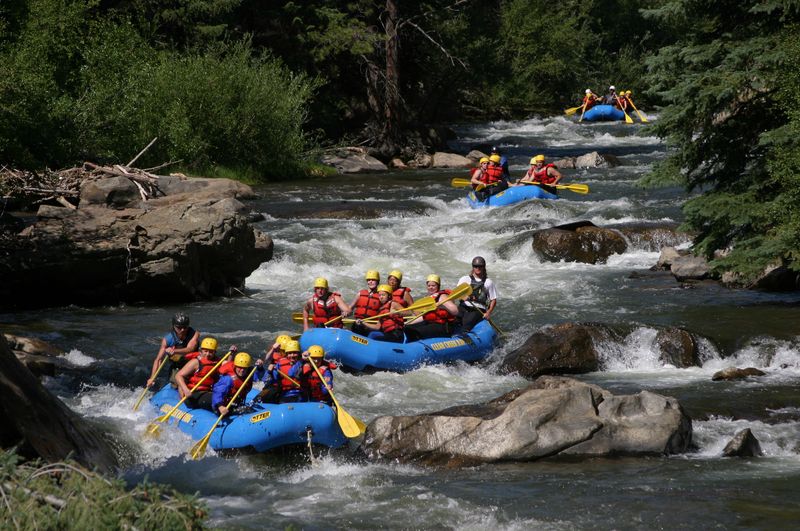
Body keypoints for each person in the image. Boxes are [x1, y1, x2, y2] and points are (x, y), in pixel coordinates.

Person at [147, 312, 200, 388]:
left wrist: (174, 351)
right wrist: (152, 378)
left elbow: (190, 349)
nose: (182, 330)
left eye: (185, 327)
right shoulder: (167, 340)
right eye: (179, 327)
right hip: (178, 366)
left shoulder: (194, 334)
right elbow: (158, 360)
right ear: (174, 326)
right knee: (177, 384)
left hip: (193, 364)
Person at [174, 336, 224, 410]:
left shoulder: (217, 362)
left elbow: (228, 366)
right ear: (201, 351)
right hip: (194, 394)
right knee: (215, 398)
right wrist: (185, 390)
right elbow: (178, 375)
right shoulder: (195, 362)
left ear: (214, 352)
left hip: (207, 391)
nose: (207, 354)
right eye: (205, 351)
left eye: (211, 352)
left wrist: (232, 355)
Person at [405, 274, 459, 340]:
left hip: (443, 326)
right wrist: (407, 323)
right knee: (407, 328)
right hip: (430, 323)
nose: (431, 287)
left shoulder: (442, 297)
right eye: (429, 285)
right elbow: (423, 317)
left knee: (415, 332)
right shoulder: (429, 298)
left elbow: (456, 311)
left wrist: (442, 305)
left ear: (438, 286)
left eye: (433, 285)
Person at [455, 256, 498, 333]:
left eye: (480, 266)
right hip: (464, 306)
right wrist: (463, 296)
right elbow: (456, 293)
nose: (478, 268)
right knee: (454, 319)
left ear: (484, 267)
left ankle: (463, 334)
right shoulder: (464, 279)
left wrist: (488, 312)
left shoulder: (488, 282)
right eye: (475, 266)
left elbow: (493, 300)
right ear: (473, 267)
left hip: (478, 309)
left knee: (468, 322)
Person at [211, 352, 258, 416]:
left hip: (236, 404)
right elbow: (218, 392)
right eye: (240, 367)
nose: (242, 370)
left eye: (244, 368)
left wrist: (260, 367)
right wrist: (220, 406)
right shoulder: (228, 379)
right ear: (235, 366)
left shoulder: (249, 374)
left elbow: (261, 377)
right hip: (223, 406)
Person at [254, 334, 291, 403]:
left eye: (284, 350)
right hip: (272, 382)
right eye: (281, 350)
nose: (283, 352)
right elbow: (266, 359)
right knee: (260, 398)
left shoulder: (292, 356)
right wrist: (273, 349)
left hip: (284, 385)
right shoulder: (274, 353)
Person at [350, 270, 382, 336]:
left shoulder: (381, 296)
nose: (370, 282)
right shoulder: (360, 294)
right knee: (357, 326)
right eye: (369, 280)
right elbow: (350, 308)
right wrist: (346, 312)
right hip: (358, 323)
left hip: (371, 325)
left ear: (378, 281)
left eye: (373, 280)